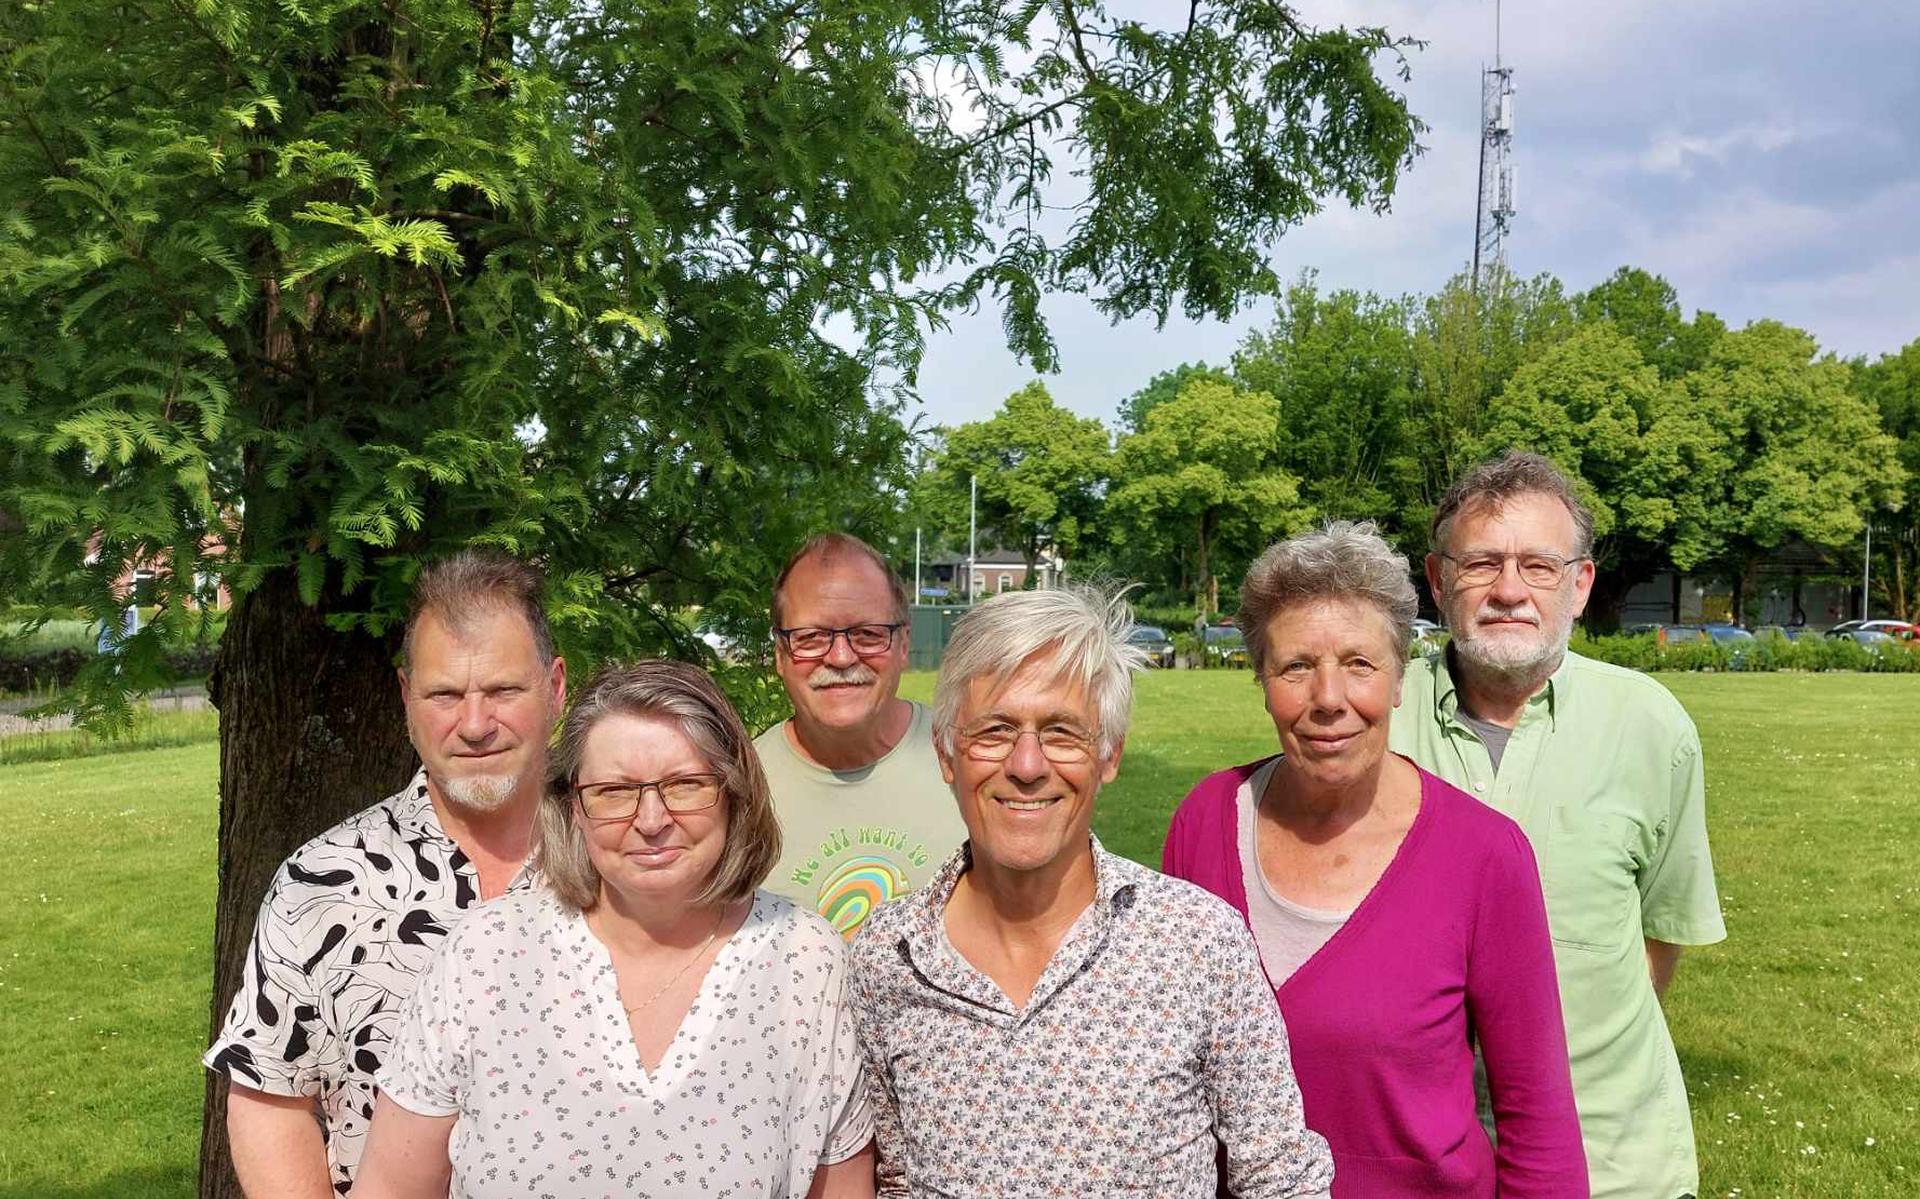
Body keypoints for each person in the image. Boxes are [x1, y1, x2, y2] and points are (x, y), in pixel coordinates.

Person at [848, 585, 1335, 1198]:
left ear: (1108, 756)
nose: (1027, 765)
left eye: (1061, 733)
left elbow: (1280, 1181)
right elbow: (891, 1181)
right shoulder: (887, 958)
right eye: (995, 730)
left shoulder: (1196, 944)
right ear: (947, 753)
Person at [1162, 522, 1587, 1198]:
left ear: (1398, 679)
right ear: (1262, 679)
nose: (1328, 698)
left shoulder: (1484, 855)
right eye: (1295, 666)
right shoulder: (1204, 822)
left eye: (1359, 663)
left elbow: (1539, 1125)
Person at [354, 660, 875, 1199]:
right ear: (572, 807)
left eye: (685, 784)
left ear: (734, 792)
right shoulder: (484, 956)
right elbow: (390, 1189)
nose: (651, 820)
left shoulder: (805, 962)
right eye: (614, 791)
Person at [1390, 452, 1725, 1199]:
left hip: (1613, 1158)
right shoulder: (1377, 718)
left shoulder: (1650, 725)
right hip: (1423, 1163)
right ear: (1438, 580)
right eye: (1481, 563)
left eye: (1538, 565)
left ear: (1580, 585)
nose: (1509, 589)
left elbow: (1659, 935)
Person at [203, 549, 566, 1196]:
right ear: (406, 697)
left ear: (556, 686)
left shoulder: (625, 864)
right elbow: (268, 1097)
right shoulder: (321, 885)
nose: (475, 723)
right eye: (445, 694)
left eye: (503, 690)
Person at [756, 533, 968, 937]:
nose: (840, 657)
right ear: (781, 656)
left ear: (903, 644)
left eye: (868, 634)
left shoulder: (972, 756)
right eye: (811, 637)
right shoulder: (739, 791)